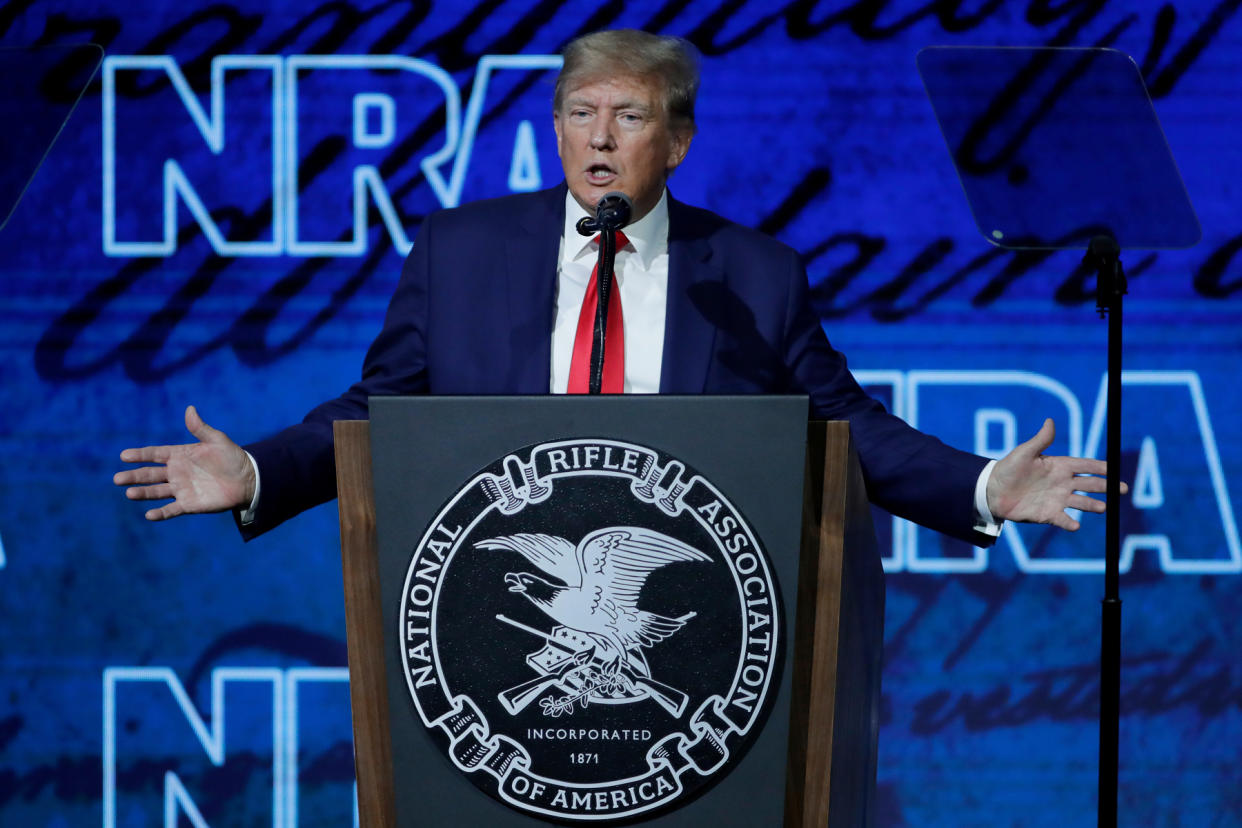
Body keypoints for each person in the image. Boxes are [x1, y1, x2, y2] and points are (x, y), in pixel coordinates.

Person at [114, 30, 1119, 541]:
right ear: (554, 129)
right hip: (490, 604)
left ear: (677, 141)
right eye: (578, 113)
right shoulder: (460, 253)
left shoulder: (754, 276)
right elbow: (375, 412)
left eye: (629, 116)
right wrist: (258, 473)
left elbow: (847, 428)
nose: (598, 137)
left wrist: (985, 486)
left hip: (684, 642)